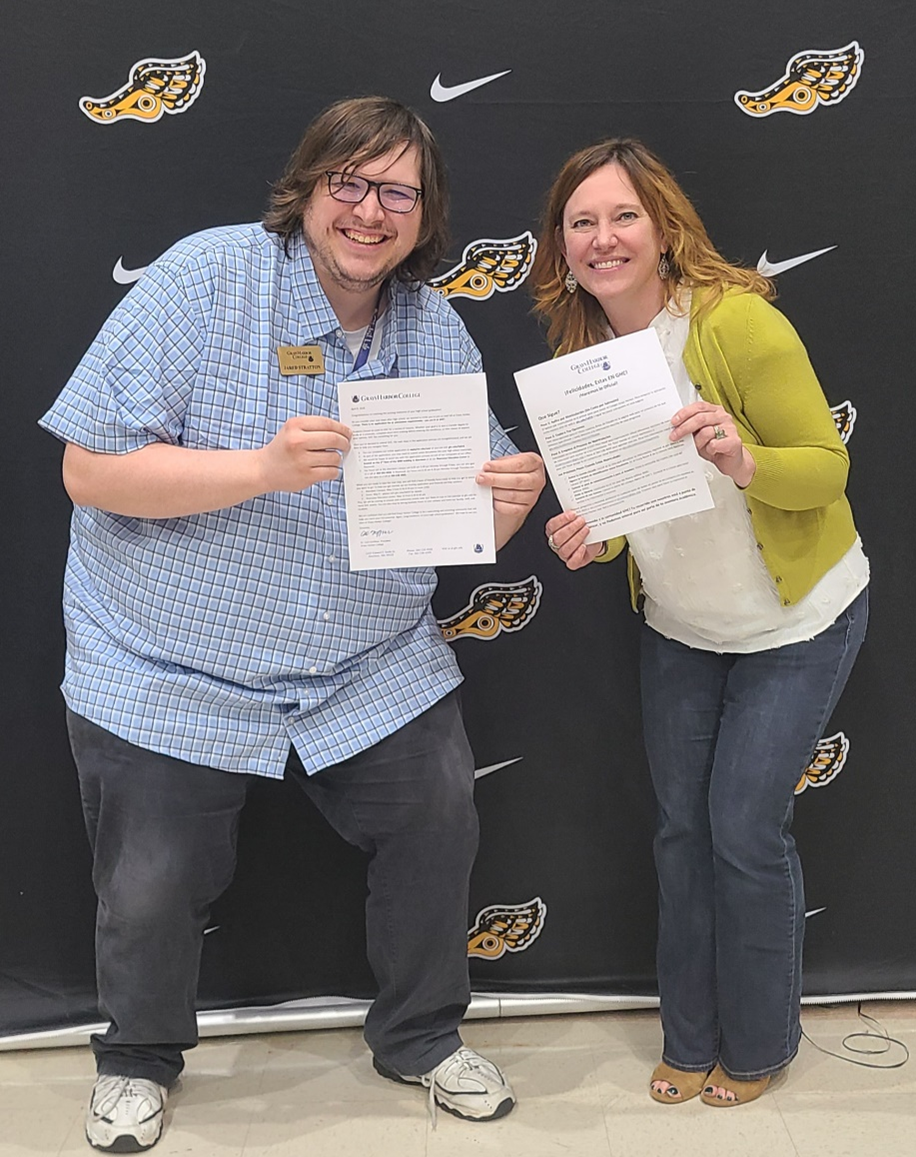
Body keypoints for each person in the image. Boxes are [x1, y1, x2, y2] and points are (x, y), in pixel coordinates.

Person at [39, 96, 545, 1151]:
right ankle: (136, 1055)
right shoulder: (204, 278)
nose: (369, 210)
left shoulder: (431, 325)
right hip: (170, 660)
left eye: (396, 191)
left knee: (437, 818)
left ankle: (419, 1035)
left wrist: (506, 499)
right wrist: (261, 469)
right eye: (348, 183)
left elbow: (468, 511)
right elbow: (88, 469)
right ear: (307, 190)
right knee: (149, 881)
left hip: (366, 662)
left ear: (425, 213)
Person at [535, 139, 868, 1107]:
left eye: (622, 216)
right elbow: (621, 516)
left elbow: (827, 468)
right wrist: (586, 539)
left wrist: (744, 455)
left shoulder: (736, 327)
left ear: (664, 226)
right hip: (683, 625)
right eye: (581, 222)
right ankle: (688, 1033)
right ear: (559, 245)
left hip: (796, 620)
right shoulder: (582, 358)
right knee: (681, 830)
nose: (603, 238)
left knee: (740, 827)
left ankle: (758, 1041)